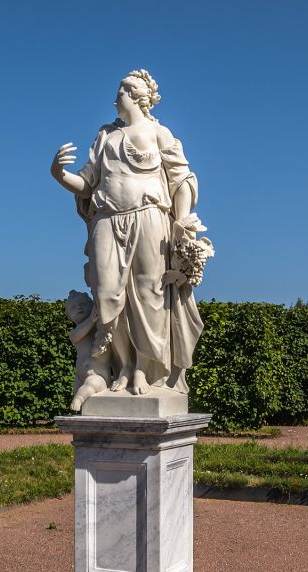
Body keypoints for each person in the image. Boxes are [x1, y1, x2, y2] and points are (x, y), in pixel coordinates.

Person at [50, 70, 203, 397]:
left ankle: (142, 369)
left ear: (136, 96)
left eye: (121, 91)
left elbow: (182, 179)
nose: (116, 96)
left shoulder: (159, 133)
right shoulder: (105, 136)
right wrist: (58, 173)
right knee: (106, 295)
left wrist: (183, 222)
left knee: (149, 294)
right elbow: (86, 184)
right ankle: (123, 366)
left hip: (148, 216)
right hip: (107, 219)